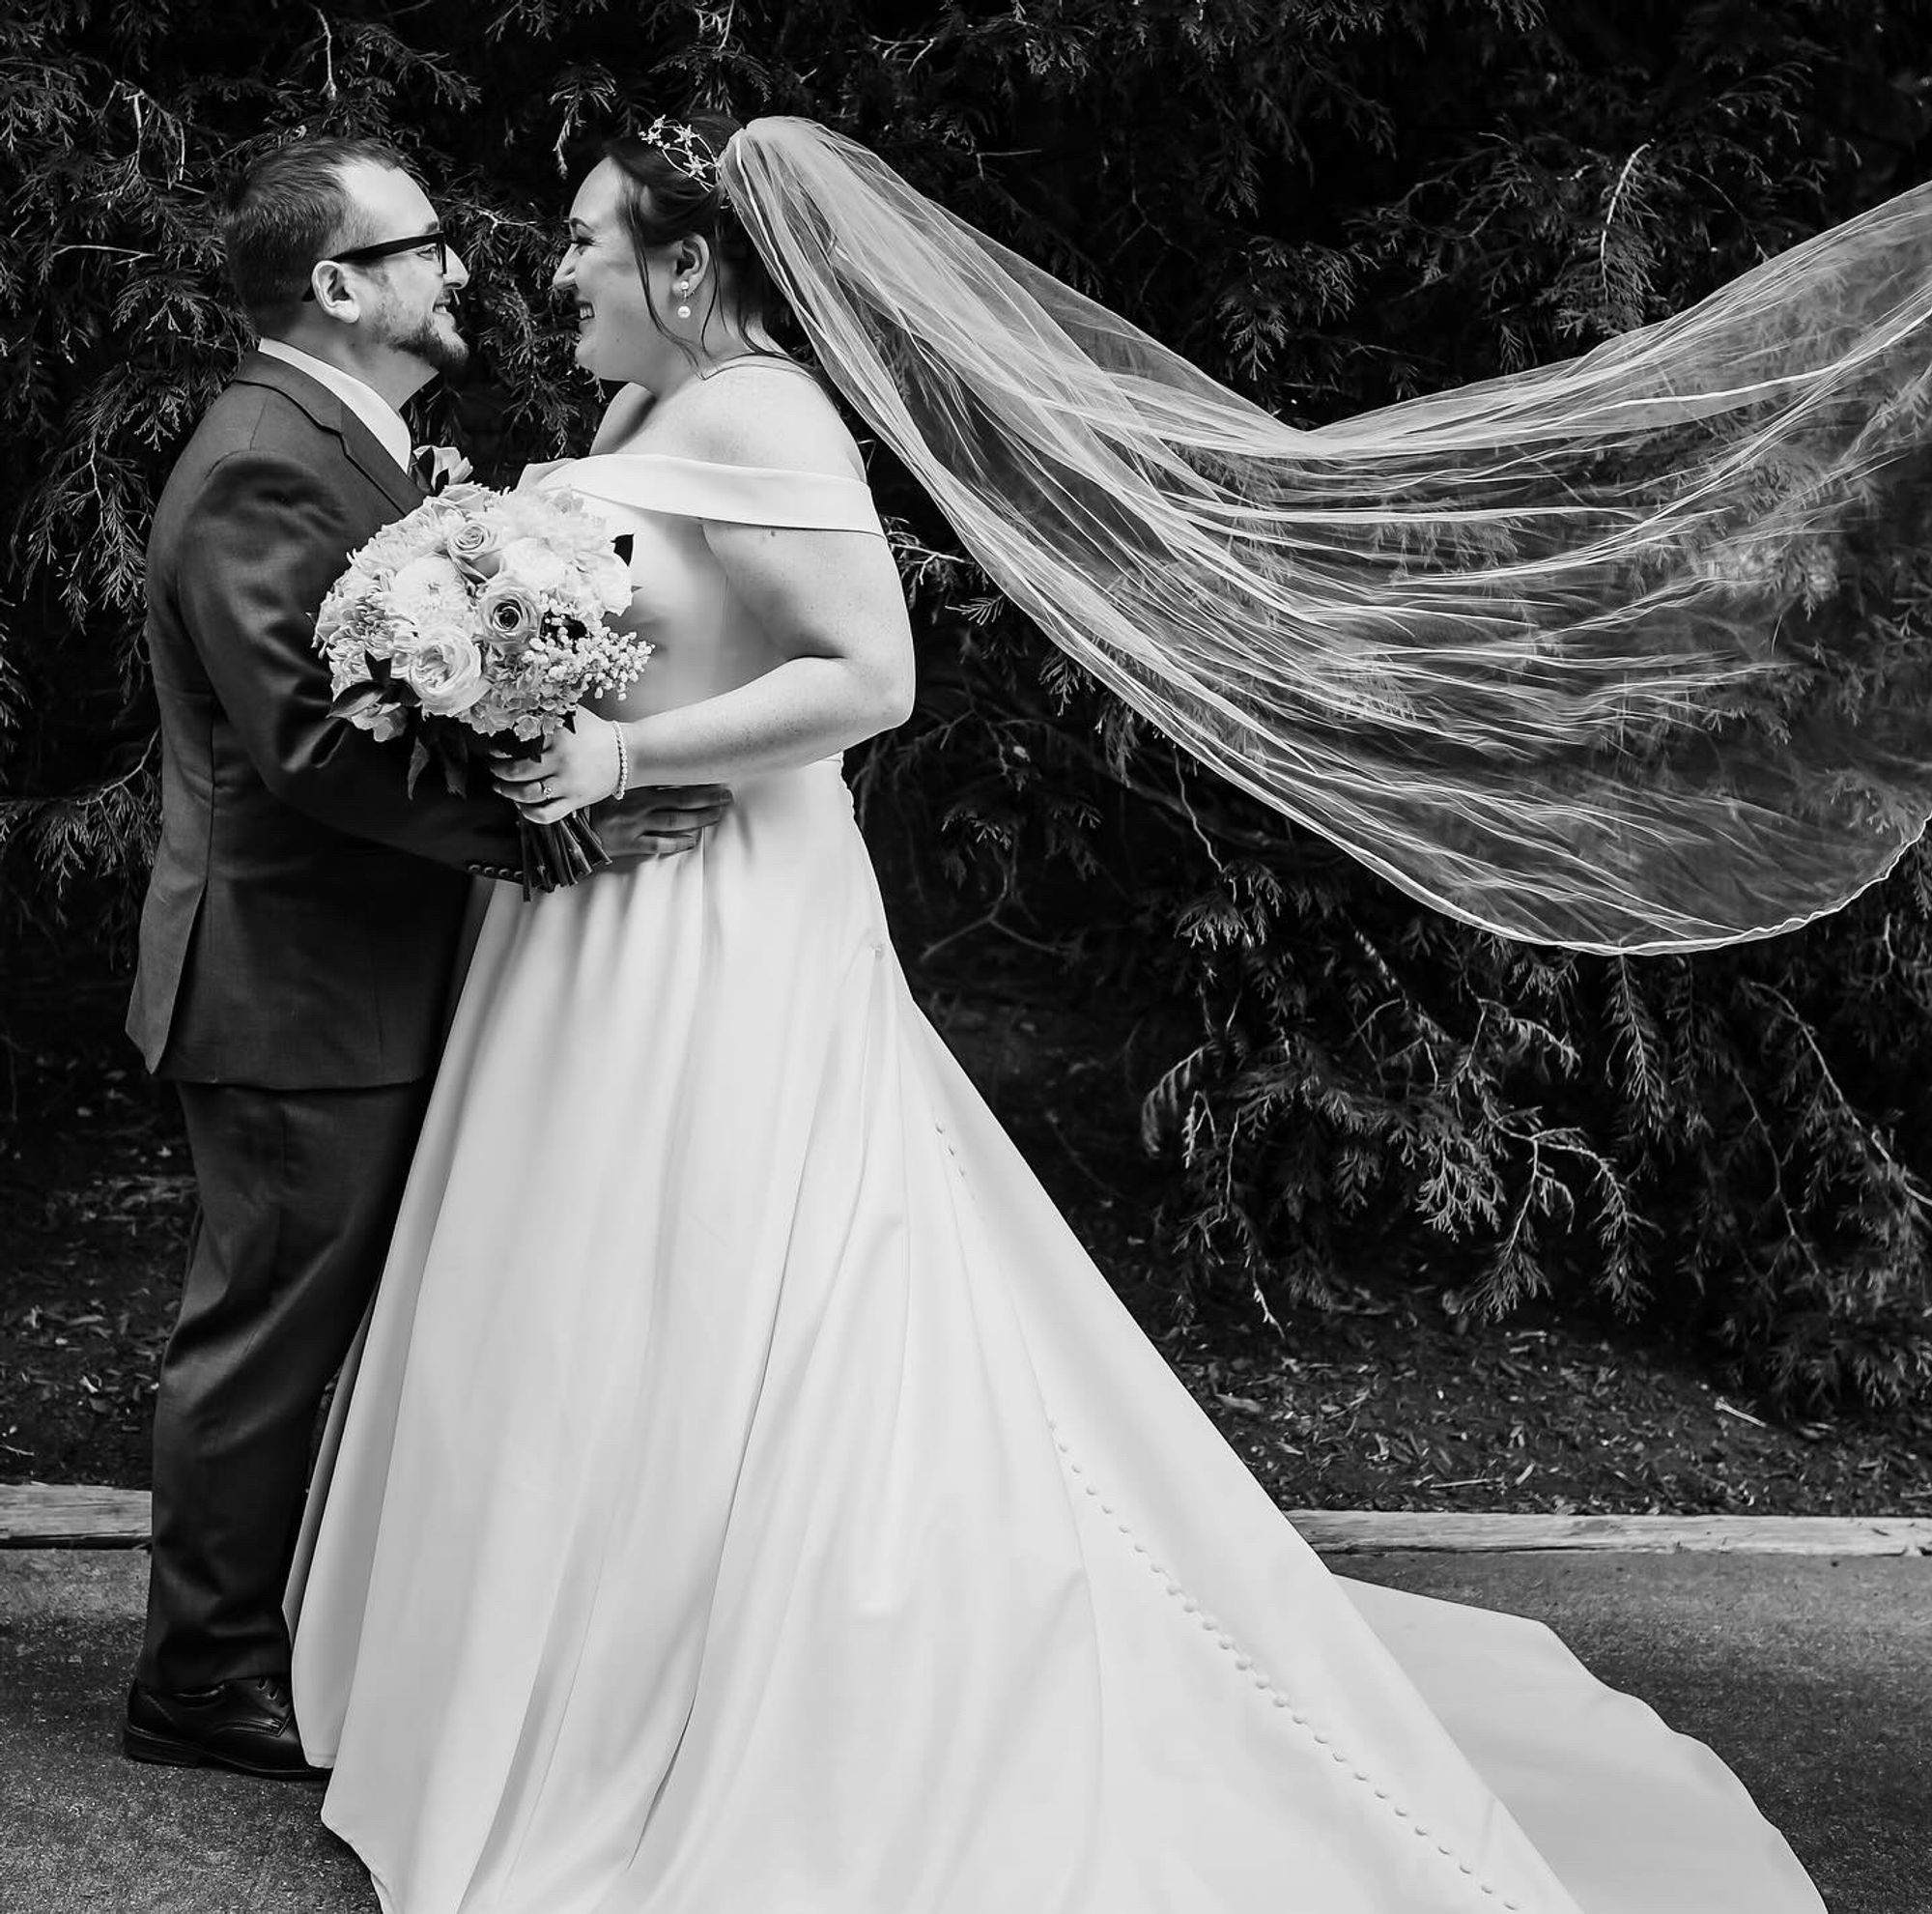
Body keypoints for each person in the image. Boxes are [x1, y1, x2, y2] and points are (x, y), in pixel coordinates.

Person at [283, 114, 1837, 1910]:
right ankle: (538, 1677)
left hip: (717, 919)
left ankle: (731, 1685)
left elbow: (871, 676)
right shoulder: (645, 415)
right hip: (596, 921)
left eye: (582, 246)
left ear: (685, 270)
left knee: (724, 1281)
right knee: (585, 1286)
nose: (549, 271)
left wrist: (619, 746)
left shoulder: (766, 416)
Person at [123, 135, 729, 1782]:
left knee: (322, 1321)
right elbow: (313, 744)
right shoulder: (266, 458)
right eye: (428, 245)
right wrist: (554, 830)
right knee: (267, 1333)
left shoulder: (349, 445)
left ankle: (292, 1633)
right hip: (292, 984)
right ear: (337, 286)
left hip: (353, 977)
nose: (462, 265)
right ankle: (199, 1677)